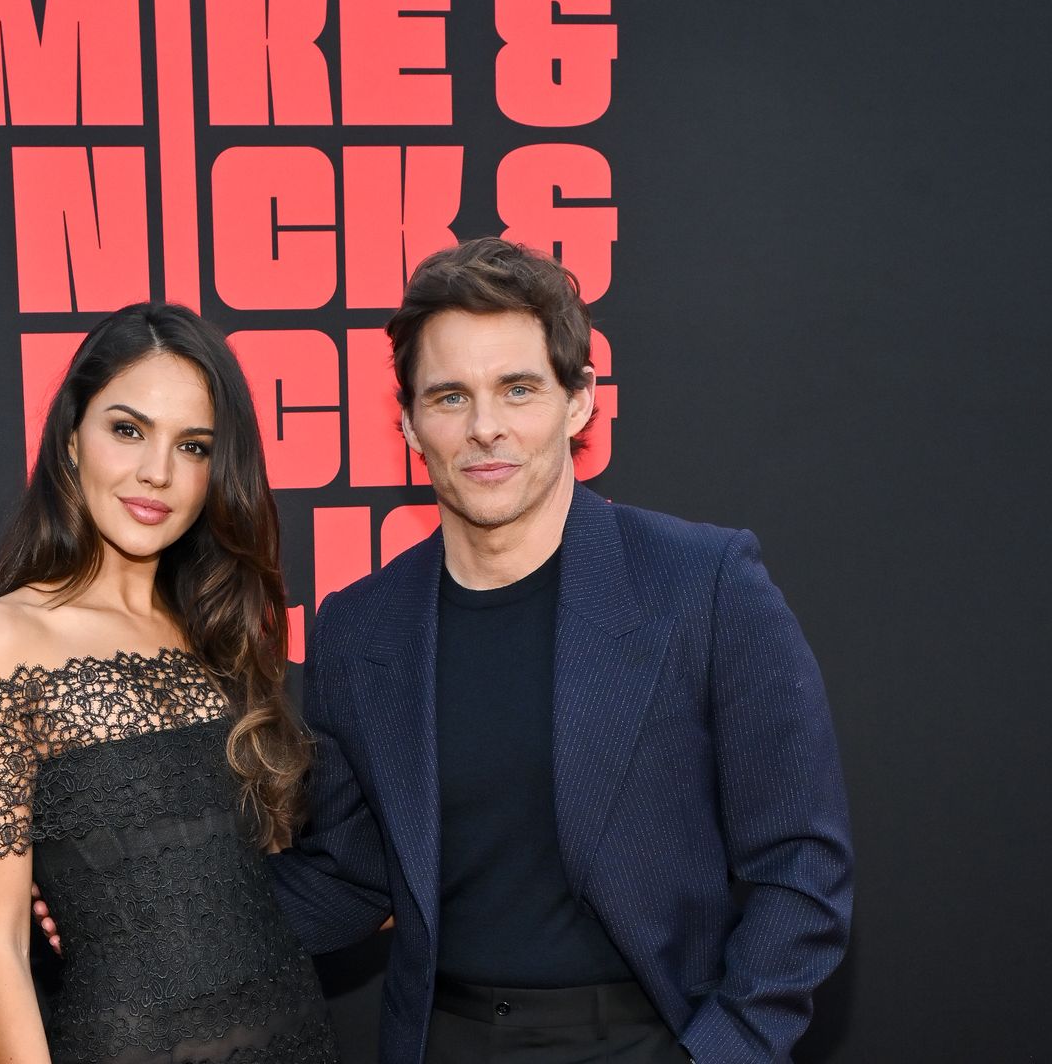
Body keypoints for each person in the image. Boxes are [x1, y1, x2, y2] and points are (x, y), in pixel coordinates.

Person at [267, 237, 854, 1063]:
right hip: (443, 1040)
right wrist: (127, 912)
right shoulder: (360, 627)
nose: (485, 429)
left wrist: (723, 1052)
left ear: (579, 403)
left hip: (654, 1036)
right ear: (406, 421)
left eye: (518, 389)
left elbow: (800, 863)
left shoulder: (704, 584)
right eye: (448, 397)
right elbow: (355, 876)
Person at [0, 303, 338, 1064]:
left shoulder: (217, 633)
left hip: (296, 1037)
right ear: (69, 441)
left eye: (192, 446)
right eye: (128, 430)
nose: (157, 471)